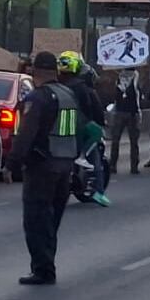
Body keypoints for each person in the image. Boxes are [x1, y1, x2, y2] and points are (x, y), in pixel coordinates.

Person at [6, 52, 78, 285]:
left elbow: (27, 133)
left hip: (42, 166)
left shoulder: (38, 98)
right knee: (51, 220)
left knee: (37, 219)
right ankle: (47, 264)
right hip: (65, 164)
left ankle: (43, 270)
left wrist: (12, 164)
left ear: (34, 72)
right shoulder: (68, 94)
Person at [57, 52, 110, 207]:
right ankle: (99, 192)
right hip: (79, 129)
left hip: (60, 128)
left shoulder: (57, 86)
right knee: (95, 159)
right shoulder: (84, 89)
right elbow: (93, 110)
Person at [109, 68, 143, 175]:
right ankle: (131, 166)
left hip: (126, 112)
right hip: (127, 112)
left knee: (119, 140)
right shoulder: (128, 76)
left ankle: (114, 165)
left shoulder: (122, 76)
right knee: (130, 141)